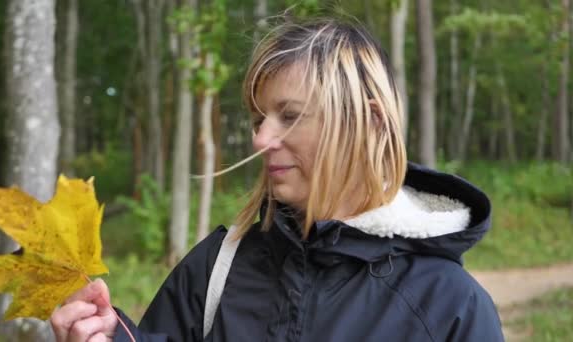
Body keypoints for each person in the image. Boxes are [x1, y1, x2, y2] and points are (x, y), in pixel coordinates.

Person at [50, 18, 504, 341]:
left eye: (289, 115)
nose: (261, 138)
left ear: (367, 122)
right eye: (258, 118)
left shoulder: (450, 307)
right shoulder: (216, 269)